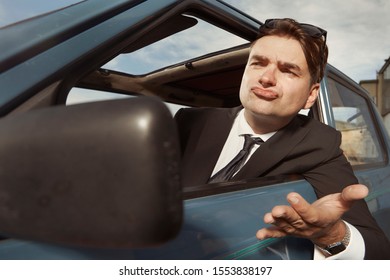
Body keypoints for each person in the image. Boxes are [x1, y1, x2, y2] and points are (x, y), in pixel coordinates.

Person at [174, 18, 390, 259]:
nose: (266, 78)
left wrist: (332, 234)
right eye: (258, 63)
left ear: (311, 95)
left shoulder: (319, 144)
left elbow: (378, 252)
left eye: (288, 70)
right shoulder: (189, 121)